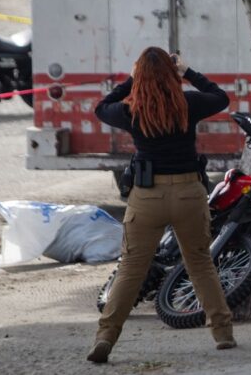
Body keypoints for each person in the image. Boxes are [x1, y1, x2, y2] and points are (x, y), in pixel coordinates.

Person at [86, 47, 236, 363]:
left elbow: (101, 107)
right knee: (200, 263)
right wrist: (188, 72)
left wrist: (131, 79)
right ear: (173, 76)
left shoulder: (132, 110)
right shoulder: (188, 104)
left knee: (131, 268)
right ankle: (222, 333)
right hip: (188, 194)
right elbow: (221, 97)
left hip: (147, 197)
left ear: (139, 77)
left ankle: (106, 337)